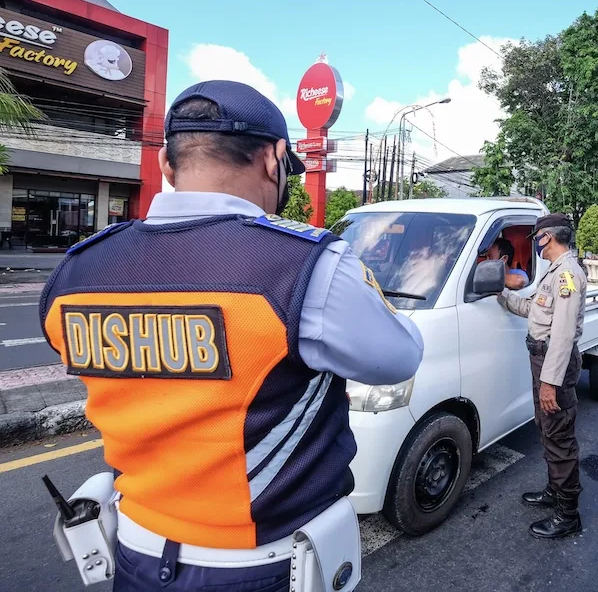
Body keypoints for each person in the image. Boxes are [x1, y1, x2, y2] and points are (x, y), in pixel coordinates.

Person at [39, 80, 424, 592]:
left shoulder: (75, 273)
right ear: (274, 158)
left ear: (166, 166)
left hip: (135, 554)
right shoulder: (303, 265)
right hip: (261, 565)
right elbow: (399, 357)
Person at [496, 214, 587, 539]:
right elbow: (533, 310)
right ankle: (554, 491)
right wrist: (502, 294)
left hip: (553, 363)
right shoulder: (553, 272)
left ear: (547, 237)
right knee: (548, 429)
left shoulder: (567, 275)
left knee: (559, 435)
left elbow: (562, 335)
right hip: (543, 359)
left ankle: (568, 514)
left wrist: (550, 382)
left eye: (537, 237)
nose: (535, 243)